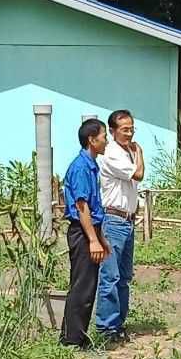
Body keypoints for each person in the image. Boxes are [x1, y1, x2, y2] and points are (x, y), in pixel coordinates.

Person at [94, 109, 143, 342]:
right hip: (114, 220)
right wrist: (140, 152)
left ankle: (118, 323)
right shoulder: (113, 154)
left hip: (127, 220)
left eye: (132, 129)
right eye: (125, 129)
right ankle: (106, 327)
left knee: (124, 276)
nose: (130, 133)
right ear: (113, 131)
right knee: (111, 276)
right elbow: (139, 174)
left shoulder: (126, 152)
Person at [60, 118, 110, 347]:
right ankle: (71, 340)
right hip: (82, 231)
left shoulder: (90, 165)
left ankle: (78, 336)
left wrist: (100, 238)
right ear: (92, 140)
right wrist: (92, 240)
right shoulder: (81, 168)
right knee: (81, 285)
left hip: (90, 230)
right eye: (104, 136)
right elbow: (82, 207)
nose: (106, 141)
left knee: (88, 286)